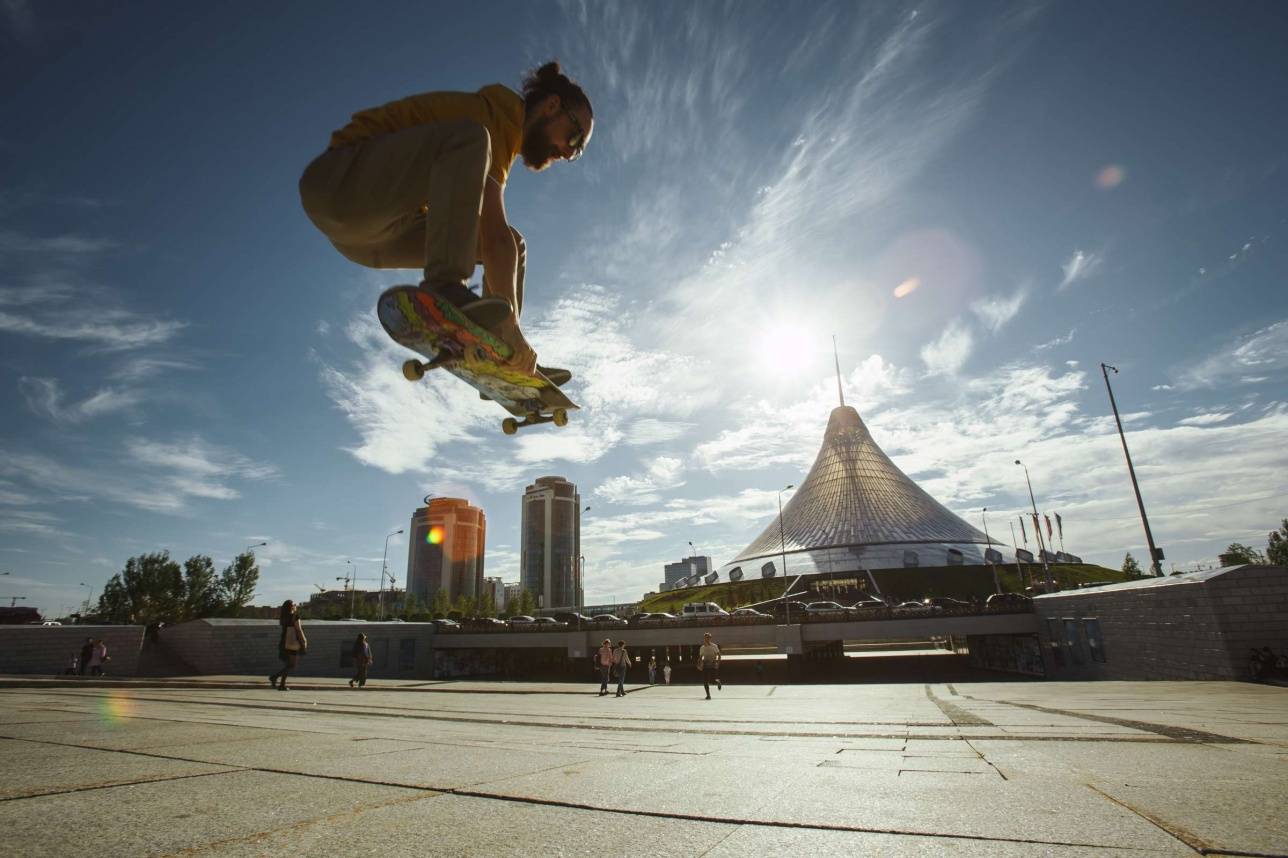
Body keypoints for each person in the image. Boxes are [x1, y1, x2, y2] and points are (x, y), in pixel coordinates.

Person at [299, 61, 594, 381]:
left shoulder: (504, 136)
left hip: (372, 238)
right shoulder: (494, 116)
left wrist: (506, 337)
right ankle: (447, 285)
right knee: (470, 140)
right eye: (575, 139)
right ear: (552, 106)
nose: (568, 153)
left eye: (576, 152)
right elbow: (494, 235)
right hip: (338, 182)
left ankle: (495, 344)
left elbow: (500, 243)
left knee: (515, 244)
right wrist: (513, 328)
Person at [269, 600, 308, 690]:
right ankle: (274, 677)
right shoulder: (295, 617)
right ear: (291, 607)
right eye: (294, 604)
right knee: (292, 665)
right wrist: (304, 641)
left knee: (288, 664)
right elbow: (298, 630)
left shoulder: (283, 617)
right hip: (292, 643)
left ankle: (282, 685)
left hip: (284, 642)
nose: (295, 605)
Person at [698, 633, 721, 699]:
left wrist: (718, 664)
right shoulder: (702, 647)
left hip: (713, 664)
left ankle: (718, 681)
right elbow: (700, 657)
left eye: (708, 637)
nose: (706, 639)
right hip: (705, 665)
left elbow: (719, 655)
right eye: (705, 638)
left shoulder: (714, 646)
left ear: (710, 638)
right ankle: (708, 695)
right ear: (704, 638)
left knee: (713, 680)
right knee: (705, 681)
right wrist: (699, 664)